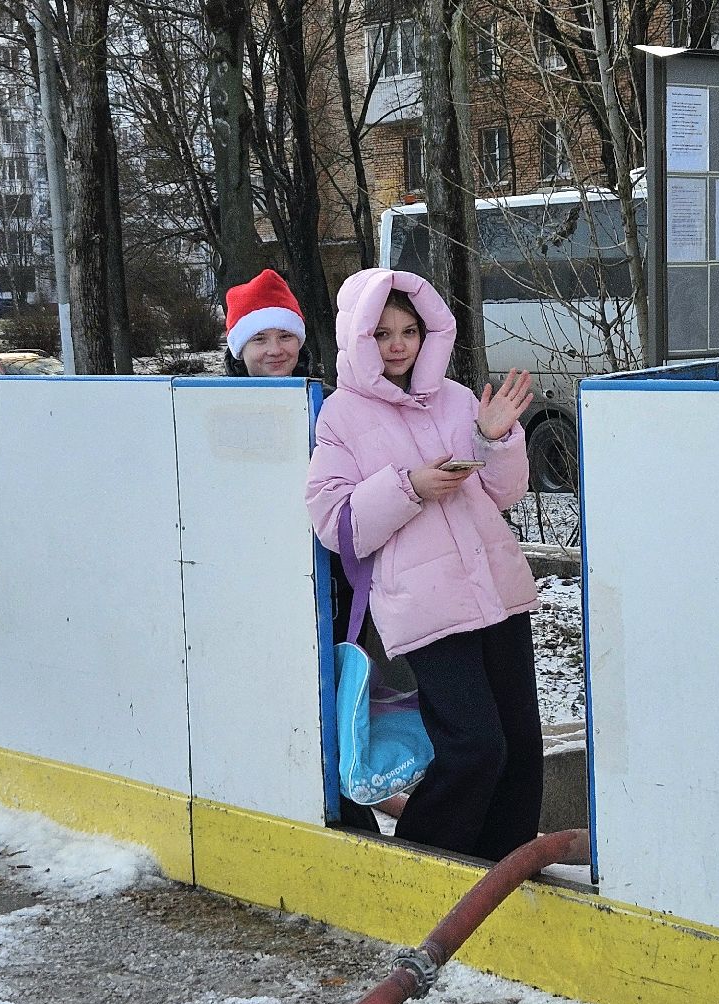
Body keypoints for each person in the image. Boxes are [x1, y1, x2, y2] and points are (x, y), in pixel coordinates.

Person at [306, 267, 542, 862]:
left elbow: (504, 492)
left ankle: (501, 869)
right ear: (357, 338)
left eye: (409, 330)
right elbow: (336, 522)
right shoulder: (341, 415)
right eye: (381, 332)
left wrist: (495, 439)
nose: (397, 344)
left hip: (498, 591)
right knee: (473, 746)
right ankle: (421, 864)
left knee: (520, 743)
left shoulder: (458, 398)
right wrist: (410, 486)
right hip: (426, 606)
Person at [224, 268, 309, 378]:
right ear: (240, 350)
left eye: (285, 336)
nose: (275, 351)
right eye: (259, 339)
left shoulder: (329, 395)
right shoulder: (213, 395)